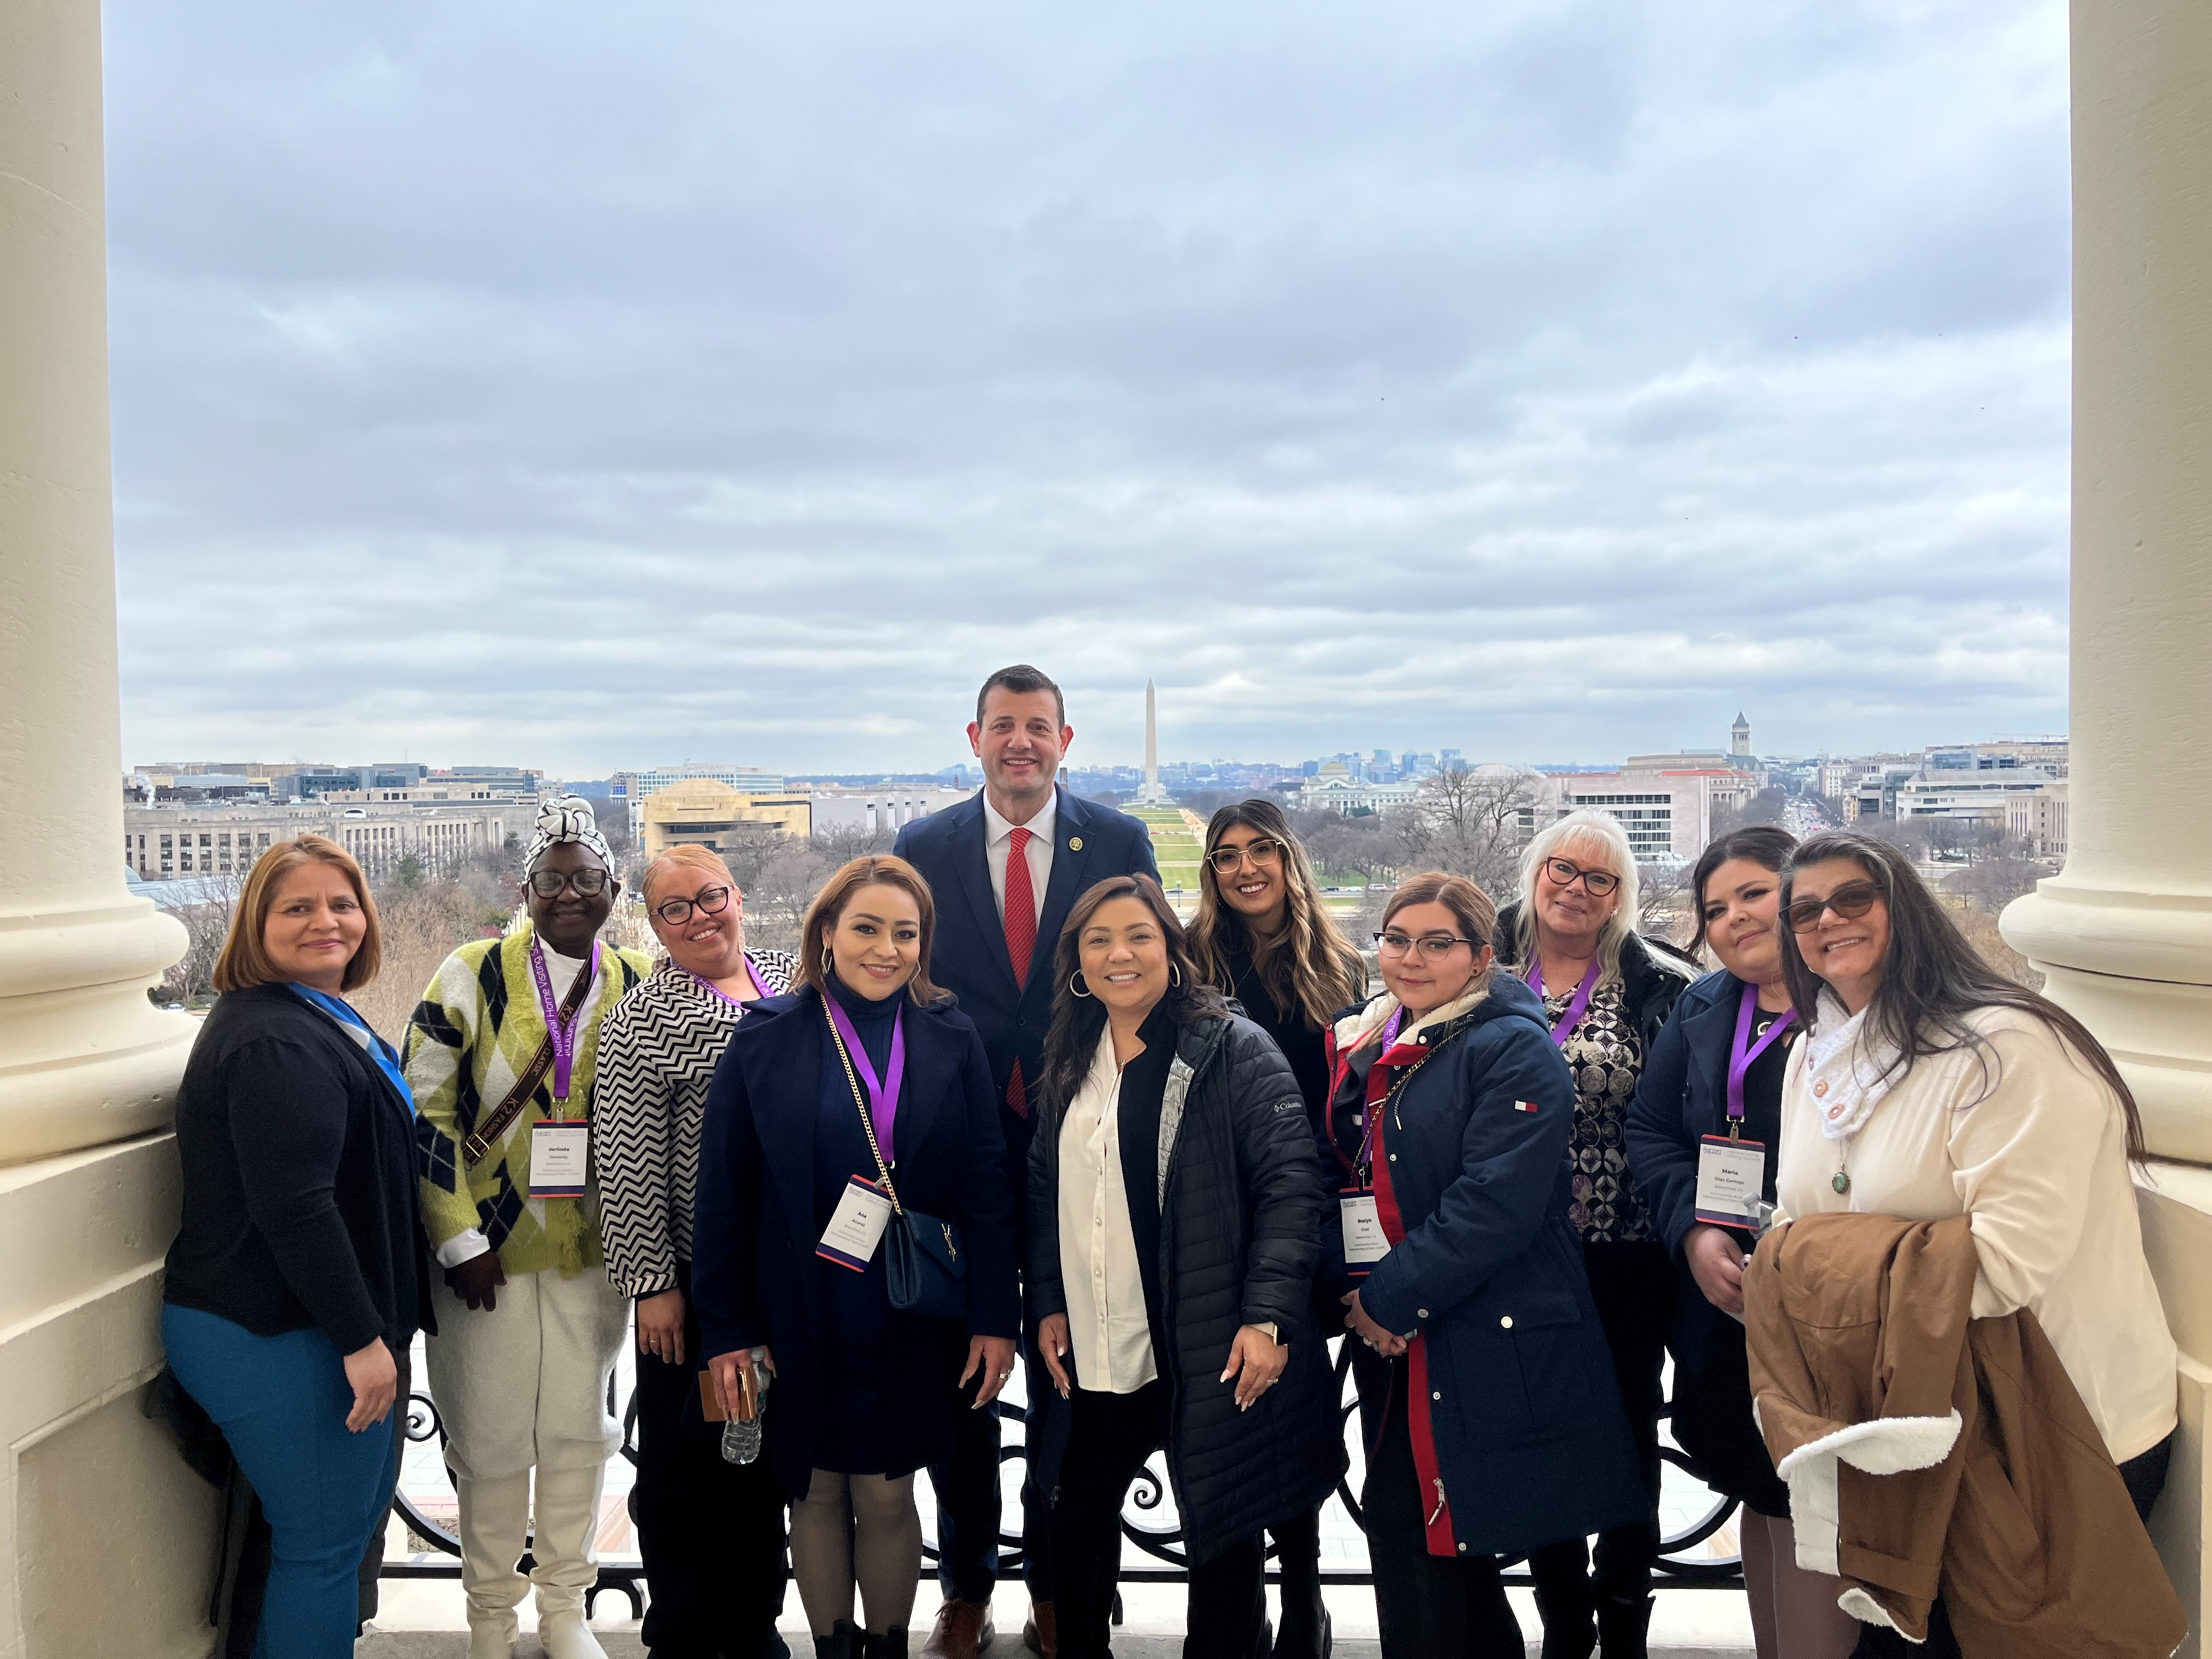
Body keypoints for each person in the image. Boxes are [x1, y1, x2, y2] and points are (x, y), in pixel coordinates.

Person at [1770, 831, 2179, 1658]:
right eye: (1805, 910)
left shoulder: (2009, 1048)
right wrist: (1815, 1258)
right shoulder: (1815, 1055)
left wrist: (1804, 1274)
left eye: (1854, 898)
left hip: (2050, 1431)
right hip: (1911, 1426)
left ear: (1905, 909)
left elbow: (2004, 1264)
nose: (1829, 921)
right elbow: (1791, 1219)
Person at [890, 665, 1161, 1659]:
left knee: (1073, 1365)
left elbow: (1143, 968)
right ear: (974, 737)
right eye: (1002, 726)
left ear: (1065, 738)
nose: (1020, 743)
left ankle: (1064, 1576)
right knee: (963, 1366)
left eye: (1037, 727)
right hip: (956, 1148)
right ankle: (967, 1581)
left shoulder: (1119, 842)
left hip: (1076, 1141)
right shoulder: (923, 846)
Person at [693, 856, 1021, 1659]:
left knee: (887, 1490)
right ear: (827, 934)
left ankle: (888, 1647)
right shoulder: (767, 1036)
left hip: (911, 1311)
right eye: (867, 928)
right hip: (797, 1310)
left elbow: (987, 1187)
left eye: (904, 933)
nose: (887, 949)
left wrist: (993, 1320)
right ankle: (833, 1648)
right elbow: (724, 1198)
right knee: (811, 1490)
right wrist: (726, 1330)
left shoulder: (951, 1034)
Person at [1327, 873, 1644, 1658]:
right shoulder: (1373, 1031)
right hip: (1403, 1323)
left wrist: (1388, 1301)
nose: (1411, 958)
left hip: (1478, 1325)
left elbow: (1495, 1204)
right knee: (1422, 1537)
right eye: (1397, 939)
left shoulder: (1511, 1045)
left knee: (1432, 1528)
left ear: (1480, 957)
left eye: (1438, 943)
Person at [1028, 874, 1342, 1659]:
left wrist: (1268, 1316)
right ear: (1077, 963)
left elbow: (1291, 1185)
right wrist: (1047, 1301)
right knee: (1079, 1515)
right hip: (1107, 1338)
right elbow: (1044, 1184)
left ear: (1172, 948)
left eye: (1138, 935)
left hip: (1209, 1334)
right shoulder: (1073, 1052)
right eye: (1097, 941)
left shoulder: (1232, 1048)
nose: (1119, 955)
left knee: (1222, 1530)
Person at [163, 834, 431, 1658]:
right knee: (321, 1552)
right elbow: (297, 1206)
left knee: (328, 1544)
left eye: (343, 904)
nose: (328, 921)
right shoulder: (275, 1041)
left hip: (296, 1321)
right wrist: (362, 1340)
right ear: (257, 923)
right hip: (280, 1330)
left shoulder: (311, 1014)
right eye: (299, 907)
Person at [407, 797, 654, 1659]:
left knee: (580, 1437)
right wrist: (458, 1237)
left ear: (614, 888)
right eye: (553, 881)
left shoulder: (638, 982)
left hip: (592, 1250)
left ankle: (565, 1611)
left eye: (588, 879)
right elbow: (426, 1110)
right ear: (526, 888)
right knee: (490, 1436)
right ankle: (490, 1618)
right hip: (488, 1255)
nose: (570, 895)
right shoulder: (468, 973)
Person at [1623, 827, 1858, 1659]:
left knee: (1814, 1505)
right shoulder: (1704, 1003)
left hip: (1826, 1307)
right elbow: (1652, 1131)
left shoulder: (1857, 1008)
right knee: (1758, 1491)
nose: (1733, 919)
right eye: (1714, 908)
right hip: (1723, 1299)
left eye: (1754, 894)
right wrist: (1693, 1229)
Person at [1492, 809, 1693, 1658]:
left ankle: (1625, 1620)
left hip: (1626, 1253)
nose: (1576, 889)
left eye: (1599, 879)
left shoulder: (1659, 991)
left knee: (1624, 1434)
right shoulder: (1484, 971)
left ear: (1621, 898)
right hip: (1519, 1250)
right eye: (1562, 871)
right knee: (1546, 1438)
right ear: (1535, 874)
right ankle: (1565, 1628)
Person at [598, 845, 800, 1659]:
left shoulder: (795, 979)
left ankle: (755, 1631)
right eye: (673, 909)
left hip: (789, 1275)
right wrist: (653, 1285)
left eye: (709, 897)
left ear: (738, 896)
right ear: (653, 927)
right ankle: (684, 1634)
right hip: (694, 1280)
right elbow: (626, 1160)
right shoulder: (641, 1021)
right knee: (691, 1470)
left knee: (763, 1470)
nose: (698, 918)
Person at [1184, 798, 1367, 1658]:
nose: (1246, 868)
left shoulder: (1343, 967)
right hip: (1219, 1213)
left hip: (1311, 1216)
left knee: (1294, 1407)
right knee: (1234, 1405)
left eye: (1262, 850)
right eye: (1227, 855)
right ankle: (1239, 1602)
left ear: (1290, 860)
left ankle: (1304, 1593)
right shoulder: (1190, 964)